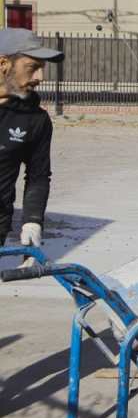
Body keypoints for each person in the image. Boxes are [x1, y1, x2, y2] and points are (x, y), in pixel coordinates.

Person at [0, 29, 64, 263]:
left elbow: (38, 176)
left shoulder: (35, 120)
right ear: (4, 64)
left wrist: (32, 222)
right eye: (32, 67)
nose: (40, 77)